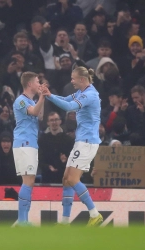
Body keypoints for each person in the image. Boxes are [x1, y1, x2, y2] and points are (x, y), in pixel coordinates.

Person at [42, 66, 103, 226]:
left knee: (72, 179)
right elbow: (65, 99)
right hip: (81, 142)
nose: (71, 81)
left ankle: (95, 214)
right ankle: (65, 221)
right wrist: (49, 95)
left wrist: (49, 96)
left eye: (73, 78)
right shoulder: (81, 93)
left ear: (82, 79)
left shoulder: (90, 95)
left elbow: (69, 107)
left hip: (88, 142)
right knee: (66, 180)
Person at [12, 71, 45, 226]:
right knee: (27, 181)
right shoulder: (21, 100)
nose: (39, 84)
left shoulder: (32, 101)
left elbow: (40, 116)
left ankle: (23, 219)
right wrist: (43, 96)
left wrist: (41, 97)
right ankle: (22, 220)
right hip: (24, 143)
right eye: (37, 81)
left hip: (31, 143)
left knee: (30, 182)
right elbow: (34, 112)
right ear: (30, 84)